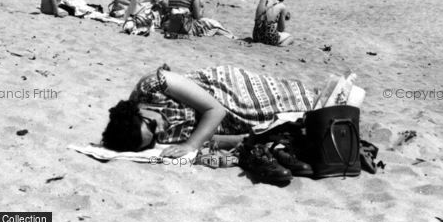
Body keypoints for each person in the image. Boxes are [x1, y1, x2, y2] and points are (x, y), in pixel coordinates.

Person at [101, 64, 315, 158]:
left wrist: (191, 145)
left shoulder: (153, 85)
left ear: (136, 110)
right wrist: (245, 139)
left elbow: (215, 110)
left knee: (299, 99)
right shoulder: (155, 136)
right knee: (298, 121)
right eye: (154, 138)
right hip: (228, 122)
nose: (161, 130)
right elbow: (205, 136)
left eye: (153, 124)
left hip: (228, 92)